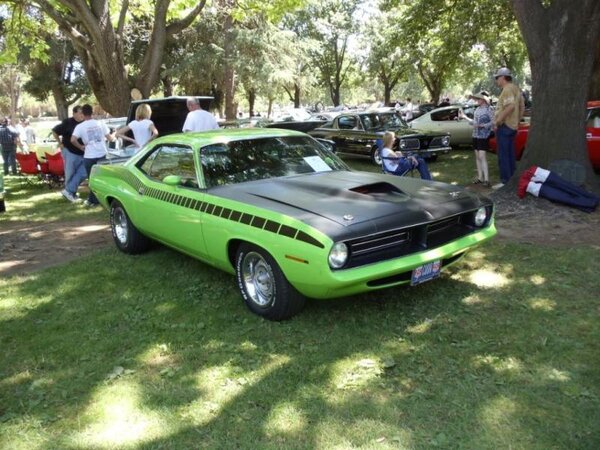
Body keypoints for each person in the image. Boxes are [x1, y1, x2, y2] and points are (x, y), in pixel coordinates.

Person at [70, 104, 114, 207]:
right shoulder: (100, 123)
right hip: (102, 153)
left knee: (92, 179)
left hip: (89, 155)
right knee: (103, 178)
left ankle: (93, 200)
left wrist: (81, 147)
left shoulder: (80, 126)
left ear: (82, 114)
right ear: (92, 112)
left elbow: (72, 139)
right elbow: (110, 138)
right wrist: (115, 135)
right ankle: (102, 198)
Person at [493, 67, 525, 187]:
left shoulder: (507, 89)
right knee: (511, 154)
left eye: (497, 77)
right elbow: (521, 106)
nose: (496, 80)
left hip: (505, 127)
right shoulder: (516, 89)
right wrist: (517, 120)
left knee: (503, 155)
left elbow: (510, 106)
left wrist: (498, 121)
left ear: (503, 77)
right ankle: (511, 180)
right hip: (512, 126)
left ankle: (505, 181)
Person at [459, 92, 493, 186]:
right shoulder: (477, 109)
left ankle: (487, 180)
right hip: (475, 135)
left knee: (482, 156)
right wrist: (465, 117)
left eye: (478, 99)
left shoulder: (489, 109)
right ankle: (480, 178)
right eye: (476, 99)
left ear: (483, 100)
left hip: (483, 136)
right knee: (478, 157)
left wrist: (483, 126)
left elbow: (493, 122)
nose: (476, 100)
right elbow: (474, 122)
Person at [53, 105, 85, 202]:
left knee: (83, 173)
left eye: (82, 113)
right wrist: (60, 143)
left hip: (83, 153)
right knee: (70, 173)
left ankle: (69, 191)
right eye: (79, 113)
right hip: (70, 152)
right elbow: (54, 131)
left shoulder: (85, 123)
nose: (81, 115)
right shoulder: (67, 122)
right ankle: (70, 194)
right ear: (74, 113)